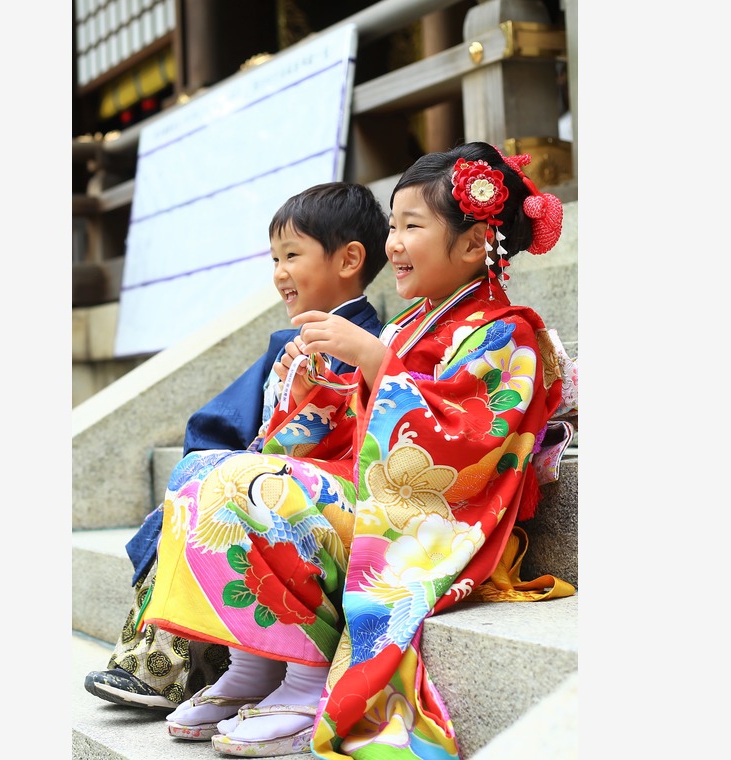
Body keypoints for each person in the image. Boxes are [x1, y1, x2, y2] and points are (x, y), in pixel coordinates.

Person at [139, 141, 566, 758]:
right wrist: (313, 386)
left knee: (259, 487)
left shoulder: (509, 331)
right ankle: (254, 662)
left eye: (411, 226)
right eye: (392, 225)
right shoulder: (409, 324)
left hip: (435, 523)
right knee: (202, 469)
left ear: (475, 244)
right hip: (370, 490)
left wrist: (370, 358)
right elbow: (351, 429)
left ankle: (308, 678)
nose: (393, 243)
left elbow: (461, 440)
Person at [83, 181, 391, 710]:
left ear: (350, 259)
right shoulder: (291, 343)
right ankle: (150, 664)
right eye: (274, 258)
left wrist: (240, 462)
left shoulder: (366, 344)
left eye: (292, 255)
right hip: (273, 471)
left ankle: (173, 672)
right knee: (194, 489)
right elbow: (235, 418)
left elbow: (327, 436)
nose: (279, 273)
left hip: (313, 493)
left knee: (214, 497)